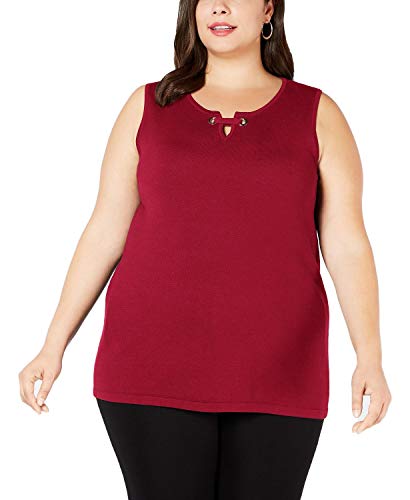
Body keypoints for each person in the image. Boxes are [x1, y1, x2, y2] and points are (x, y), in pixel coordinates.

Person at [19, 0, 392, 498]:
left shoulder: (317, 113)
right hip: (151, 363)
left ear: (268, 10)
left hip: (281, 367)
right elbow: (105, 229)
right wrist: (52, 345)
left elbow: (346, 243)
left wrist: (370, 357)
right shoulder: (147, 106)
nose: (219, 6)